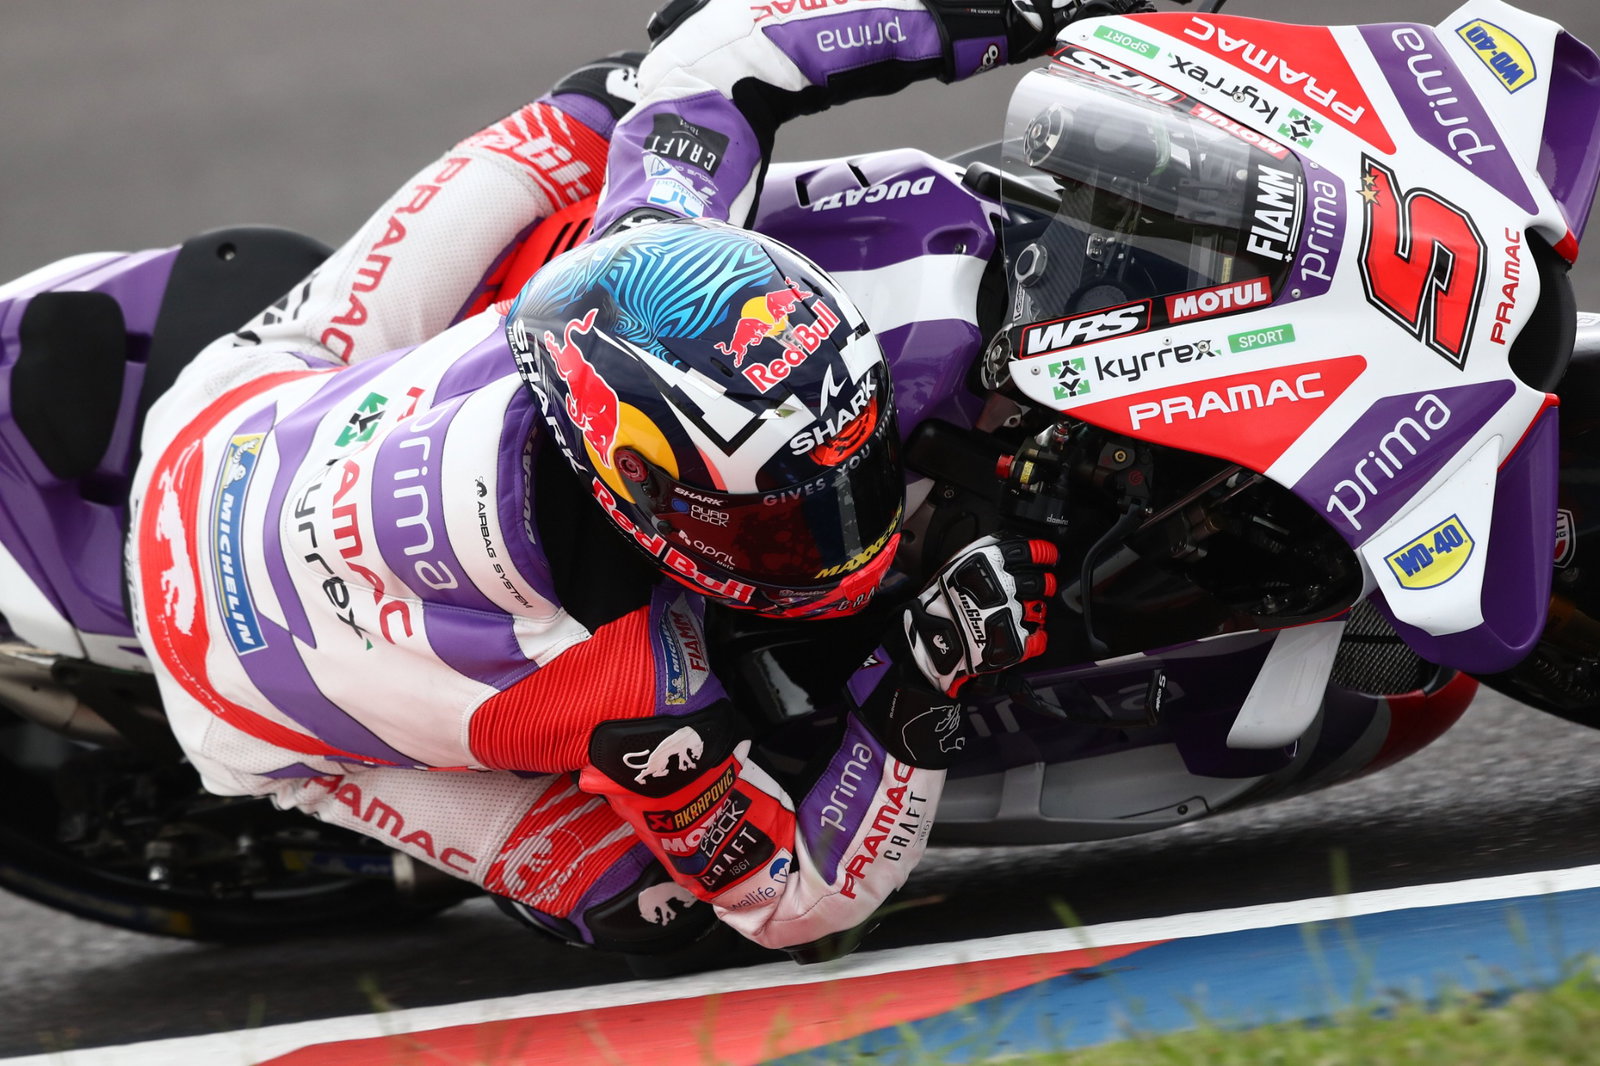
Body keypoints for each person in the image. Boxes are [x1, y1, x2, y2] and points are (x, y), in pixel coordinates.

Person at [127, 0, 1148, 960]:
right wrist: (924, 685)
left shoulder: (645, 241)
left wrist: (1013, 11)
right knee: (656, 915)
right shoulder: (638, 695)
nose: (852, 535)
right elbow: (793, 902)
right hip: (230, 687)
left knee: (608, 98)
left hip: (231, 415)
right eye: (790, 524)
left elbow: (726, 44)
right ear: (650, 505)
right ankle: (367, 802)